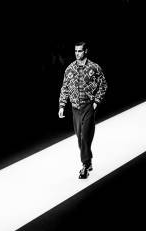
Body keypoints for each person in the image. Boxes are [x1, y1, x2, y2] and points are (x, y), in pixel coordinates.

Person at [58, 41, 108, 179]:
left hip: (88, 106)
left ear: (85, 51)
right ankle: (88, 160)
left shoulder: (94, 68)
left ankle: (85, 166)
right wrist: (62, 105)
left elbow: (103, 85)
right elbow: (65, 88)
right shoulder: (69, 69)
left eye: (80, 51)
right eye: (75, 51)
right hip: (75, 108)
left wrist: (96, 102)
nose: (77, 53)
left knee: (85, 136)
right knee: (80, 137)